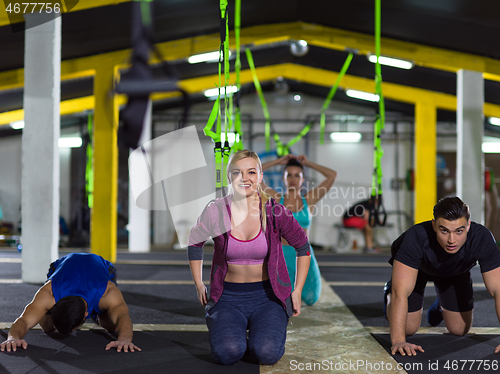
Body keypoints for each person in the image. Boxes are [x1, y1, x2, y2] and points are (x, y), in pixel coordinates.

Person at [188, 149, 311, 365]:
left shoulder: (275, 211)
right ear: (229, 177)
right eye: (237, 173)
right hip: (227, 298)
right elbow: (194, 242)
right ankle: (230, 330)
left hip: (267, 298)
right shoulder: (216, 211)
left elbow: (303, 246)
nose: (245, 178)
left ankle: (260, 332)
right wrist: (199, 284)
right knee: (228, 353)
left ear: (260, 177)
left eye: (251, 172)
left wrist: (298, 289)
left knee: (266, 352)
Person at [384, 196, 500, 356]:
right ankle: (387, 295)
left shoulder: (481, 238)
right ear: (434, 225)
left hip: (455, 273)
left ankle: (440, 305)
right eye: (444, 230)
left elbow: (498, 290)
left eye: (459, 231)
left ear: (468, 226)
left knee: (459, 329)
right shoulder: (415, 237)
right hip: (417, 271)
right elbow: (401, 292)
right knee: (408, 328)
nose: (451, 240)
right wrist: (398, 340)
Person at [0, 252, 140, 353]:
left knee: (111, 327)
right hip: (63, 265)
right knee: (48, 327)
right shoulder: (49, 293)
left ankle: (102, 312)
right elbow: (24, 320)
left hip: (99, 266)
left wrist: (125, 339)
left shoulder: (107, 293)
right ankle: (47, 313)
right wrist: (13, 338)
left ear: (86, 315)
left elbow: (123, 316)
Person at [261, 154, 337, 306]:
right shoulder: (276, 199)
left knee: (311, 298)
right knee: (280, 299)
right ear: (283, 178)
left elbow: (332, 175)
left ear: (303, 179)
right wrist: (278, 161)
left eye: (297, 175)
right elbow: (256, 174)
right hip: (281, 255)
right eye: (289, 175)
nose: (293, 179)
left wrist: (308, 163)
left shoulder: (309, 200)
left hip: (304, 256)